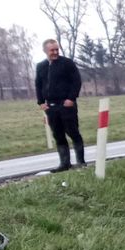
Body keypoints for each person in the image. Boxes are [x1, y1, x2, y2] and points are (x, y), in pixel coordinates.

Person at [35, 39, 84, 172]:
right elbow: (38, 85)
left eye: (57, 49)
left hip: (66, 105)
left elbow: (76, 81)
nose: (55, 52)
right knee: (58, 135)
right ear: (45, 51)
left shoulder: (67, 63)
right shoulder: (40, 66)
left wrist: (71, 98)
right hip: (51, 107)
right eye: (52, 50)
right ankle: (64, 163)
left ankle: (81, 162)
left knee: (73, 133)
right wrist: (41, 102)